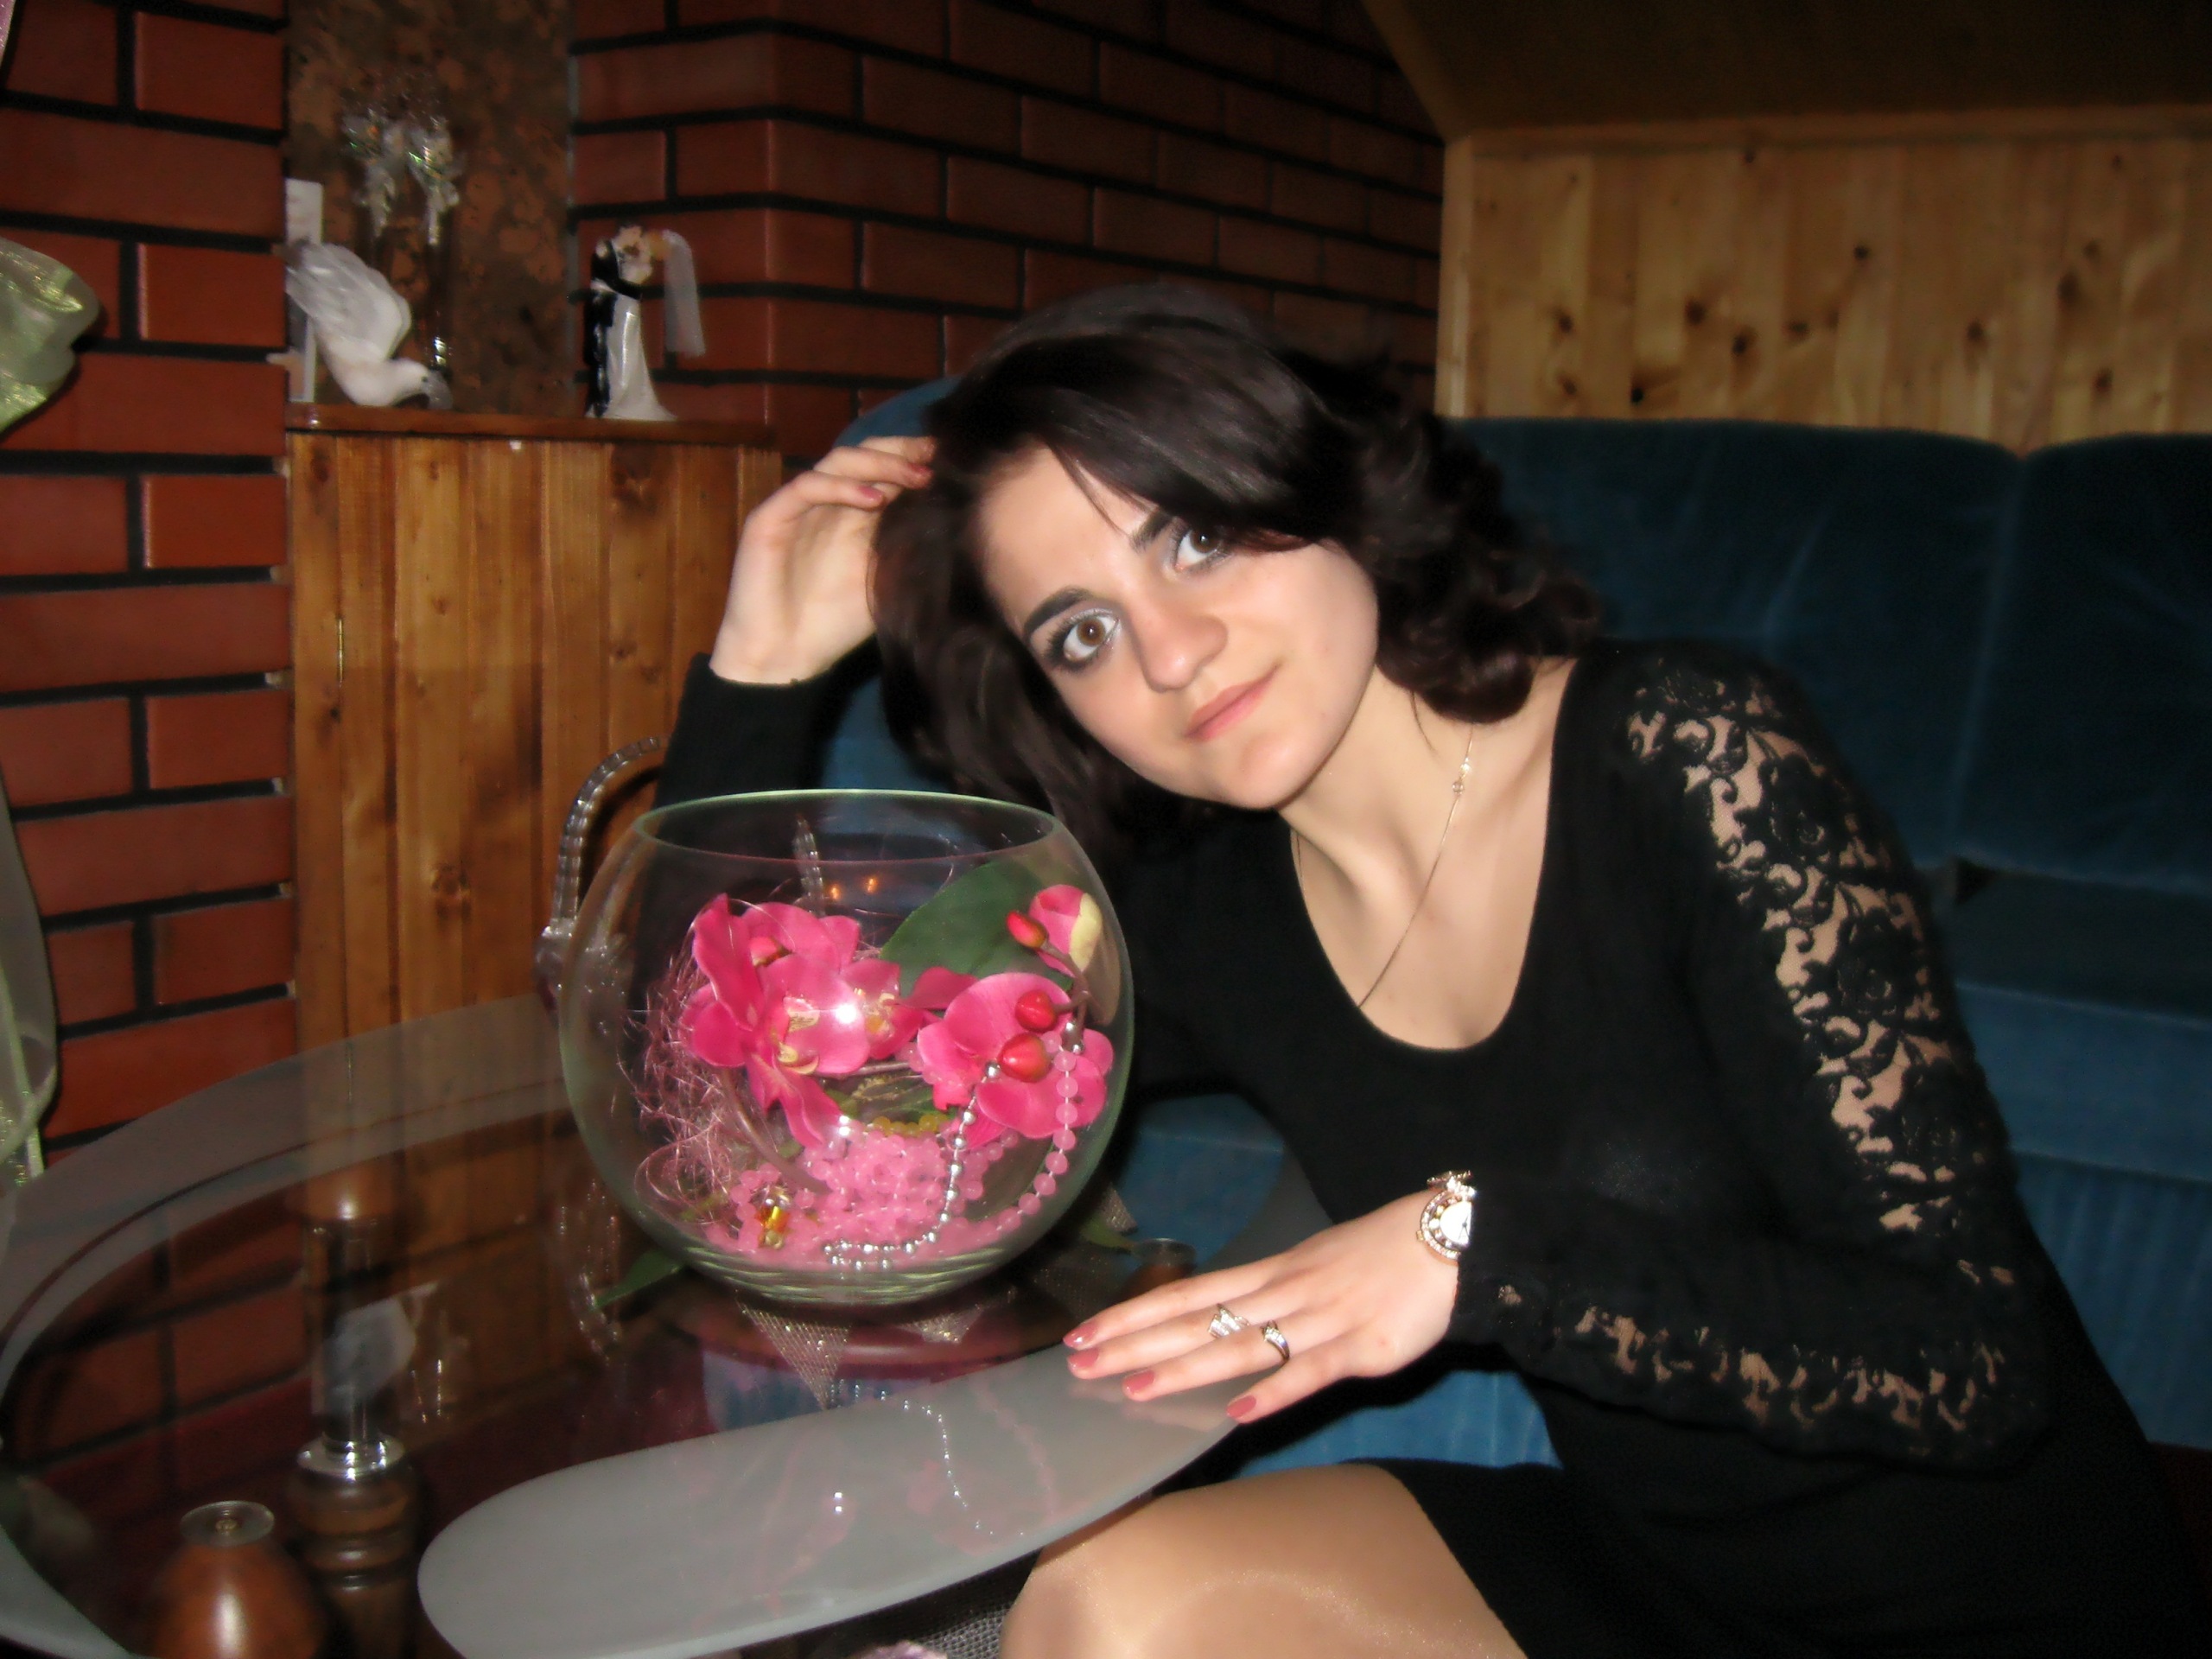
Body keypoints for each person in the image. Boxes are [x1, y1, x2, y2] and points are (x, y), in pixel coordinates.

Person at [655, 286, 2209, 1659]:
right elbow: (793, 1089)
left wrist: (1478, 1247)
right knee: (1105, 1606)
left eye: (1193, 537)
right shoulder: (1202, 919)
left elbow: (1971, 1361)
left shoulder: (1689, 755)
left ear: (1318, 483)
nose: (1170, 655)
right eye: (1081, 634)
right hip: (1651, 1586)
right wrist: (756, 675)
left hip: (1993, 1611)